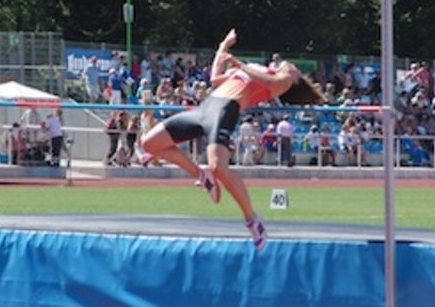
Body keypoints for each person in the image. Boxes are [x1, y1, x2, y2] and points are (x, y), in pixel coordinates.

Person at [139, 28, 324, 250]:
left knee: (219, 167)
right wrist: (223, 47)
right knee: (149, 143)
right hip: (205, 108)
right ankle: (200, 174)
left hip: (225, 110)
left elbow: (270, 83)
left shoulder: (282, 81)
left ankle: (252, 220)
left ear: (295, 79)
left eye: (291, 67)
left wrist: (238, 64)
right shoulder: (256, 70)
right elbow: (216, 79)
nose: (286, 64)